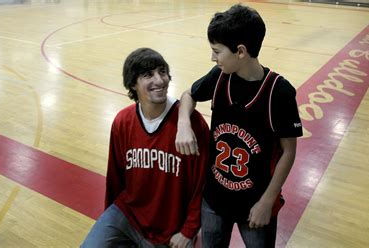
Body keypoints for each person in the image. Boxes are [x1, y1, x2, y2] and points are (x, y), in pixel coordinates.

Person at [175, 4, 303, 248]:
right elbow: (188, 94)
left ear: (241, 51)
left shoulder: (279, 92)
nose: (213, 58)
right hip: (214, 200)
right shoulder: (219, 76)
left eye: (217, 51)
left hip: (255, 205)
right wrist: (183, 124)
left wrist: (267, 201)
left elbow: (289, 151)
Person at [82, 47, 209, 248]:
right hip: (128, 214)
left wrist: (189, 230)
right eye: (148, 75)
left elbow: (203, 184)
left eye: (162, 72)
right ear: (133, 83)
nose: (159, 80)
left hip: (172, 226)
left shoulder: (191, 124)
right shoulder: (123, 121)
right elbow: (115, 177)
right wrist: (109, 220)